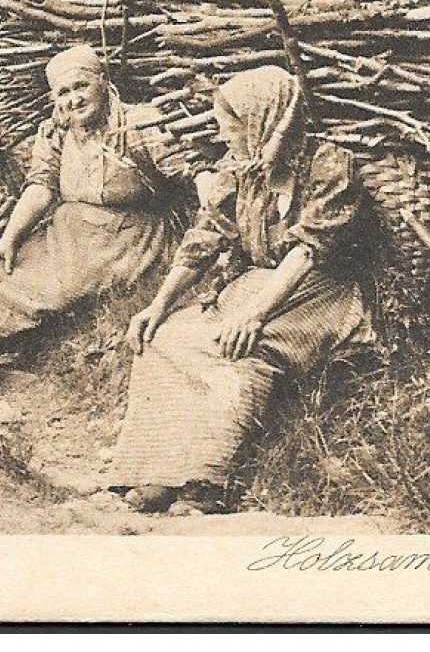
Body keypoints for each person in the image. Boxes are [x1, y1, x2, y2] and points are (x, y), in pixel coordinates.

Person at [107, 65, 375, 514]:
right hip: (259, 282)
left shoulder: (329, 164)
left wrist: (255, 314)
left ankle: (209, 477)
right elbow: (205, 236)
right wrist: (158, 305)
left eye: (228, 126)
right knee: (166, 337)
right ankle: (156, 469)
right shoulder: (243, 166)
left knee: (238, 345)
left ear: (259, 121)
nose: (223, 136)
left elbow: (310, 252)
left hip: (323, 289)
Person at [0, 44, 188, 393]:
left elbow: (189, 172)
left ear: (103, 81)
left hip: (128, 234)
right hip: (68, 229)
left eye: (81, 87)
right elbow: (41, 188)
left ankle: (14, 347)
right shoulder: (56, 132)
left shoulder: (140, 124)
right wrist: (8, 239)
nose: (74, 100)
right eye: (64, 93)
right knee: (5, 273)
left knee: (57, 288)